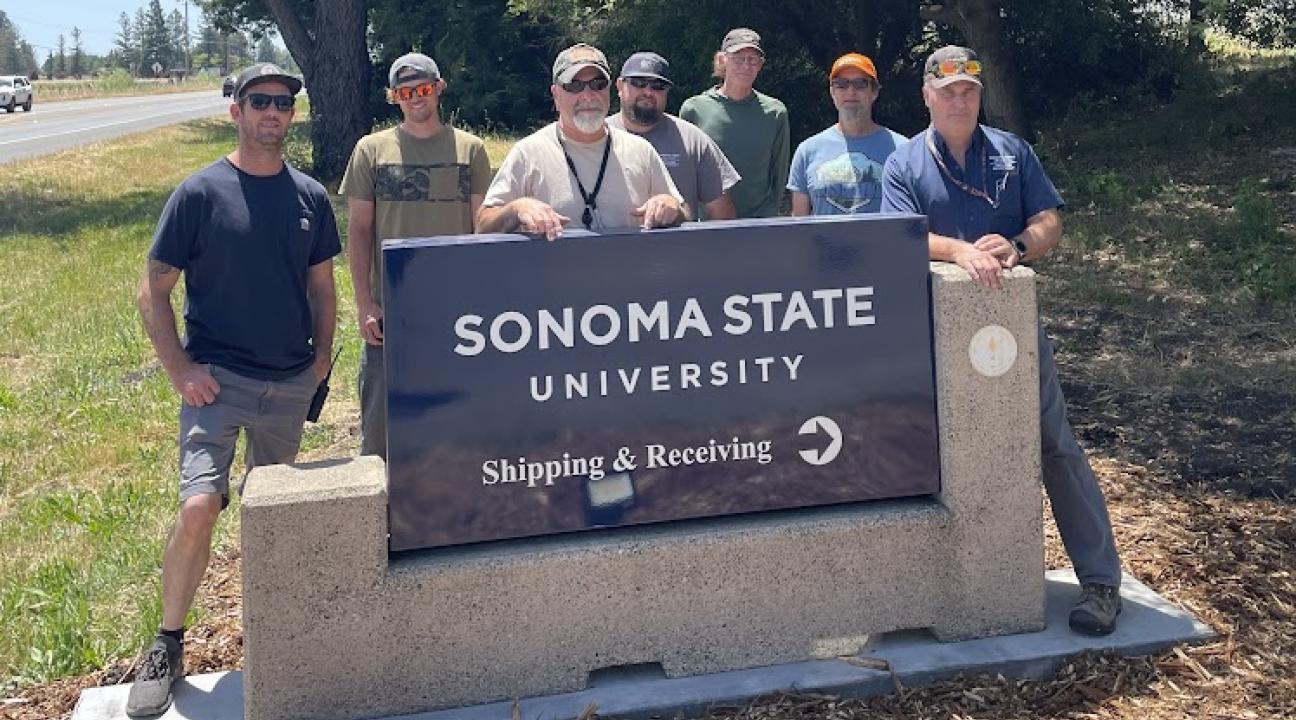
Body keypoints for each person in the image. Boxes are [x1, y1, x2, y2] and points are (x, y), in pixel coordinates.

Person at [880, 46, 1124, 635]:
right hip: (932, 331)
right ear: (926, 96)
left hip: (1013, 328)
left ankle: (1100, 582)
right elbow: (899, 235)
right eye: (947, 90)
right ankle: (938, 589)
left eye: (968, 89)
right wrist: (959, 249)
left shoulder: (1014, 153)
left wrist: (1016, 246)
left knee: (1054, 442)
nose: (959, 99)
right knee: (926, 450)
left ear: (978, 95)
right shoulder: (902, 162)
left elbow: (1050, 222)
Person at [128, 63, 339, 716]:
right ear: (236, 112)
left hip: (286, 384)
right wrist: (179, 370)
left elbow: (322, 288)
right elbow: (153, 290)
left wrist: (322, 362)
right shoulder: (199, 194)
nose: (273, 112)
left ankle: (278, 641)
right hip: (216, 382)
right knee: (199, 508)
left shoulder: (309, 198)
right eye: (260, 102)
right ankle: (166, 643)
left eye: (283, 103)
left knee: (272, 523)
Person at [339, 52, 491, 460]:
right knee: (381, 429)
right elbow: (358, 229)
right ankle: (379, 509)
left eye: (422, 89)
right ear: (393, 97)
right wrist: (365, 303)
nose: (415, 98)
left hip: (457, 312)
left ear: (439, 88)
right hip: (392, 312)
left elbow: (482, 226)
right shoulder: (370, 150)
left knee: (458, 418)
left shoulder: (471, 149)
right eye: (404, 92)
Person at [478, 43, 687, 239]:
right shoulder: (528, 153)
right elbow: (482, 226)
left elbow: (683, 213)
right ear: (556, 95)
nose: (588, 96)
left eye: (598, 84)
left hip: (627, 276)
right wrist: (517, 209)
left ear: (610, 89)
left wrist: (670, 206)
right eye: (575, 86)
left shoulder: (641, 151)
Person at [606, 51, 740, 221]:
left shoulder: (693, 140)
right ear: (619, 86)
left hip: (679, 247)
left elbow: (721, 211)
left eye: (658, 86)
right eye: (638, 83)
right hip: (612, 246)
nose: (647, 91)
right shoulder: (596, 137)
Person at [679, 28, 789, 218]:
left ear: (760, 65)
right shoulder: (693, 109)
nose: (746, 66)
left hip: (759, 227)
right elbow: (685, 174)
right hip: (709, 229)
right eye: (738, 58)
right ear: (722, 60)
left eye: (753, 59)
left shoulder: (775, 112)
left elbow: (778, 177)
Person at [789, 53, 906, 216]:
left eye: (860, 84)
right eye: (841, 84)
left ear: (874, 92)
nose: (850, 91)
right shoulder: (807, 151)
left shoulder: (903, 150)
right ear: (832, 92)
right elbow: (799, 225)